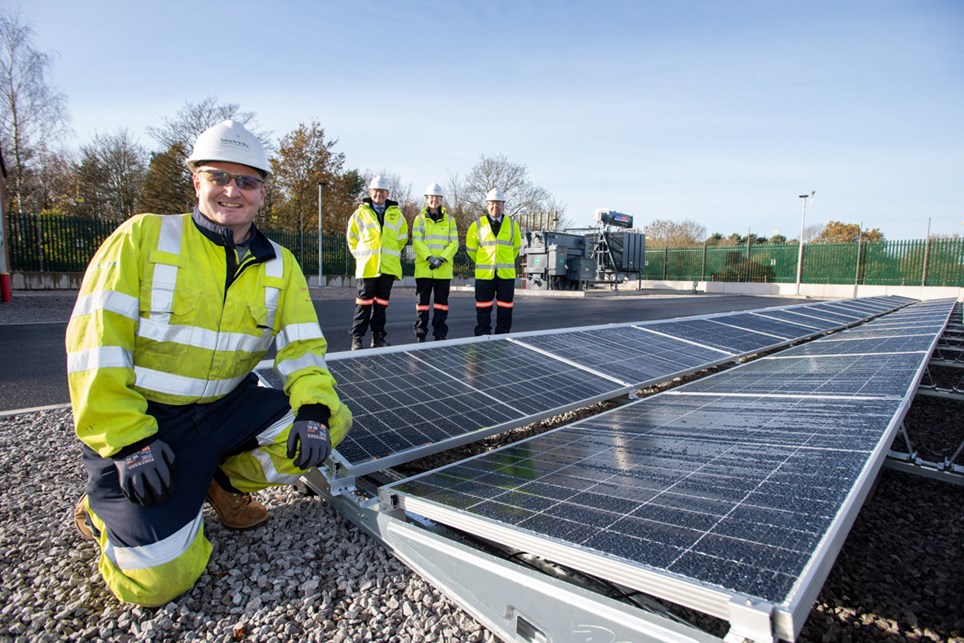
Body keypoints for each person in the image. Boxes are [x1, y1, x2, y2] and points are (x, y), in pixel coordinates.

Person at [65, 120, 352, 607]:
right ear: (196, 180)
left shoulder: (280, 264)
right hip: (148, 423)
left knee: (333, 420)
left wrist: (315, 411)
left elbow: (304, 350)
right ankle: (100, 510)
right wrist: (128, 439)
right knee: (157, 581)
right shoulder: (142, 238)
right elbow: (96, 345)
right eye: (219, 176)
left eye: (247, 181)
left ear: (262, 192)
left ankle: (215, 482)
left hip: (224, 410)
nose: (232, 191)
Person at [346, 176, 409, 349]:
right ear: (370, 193)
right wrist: (360, 256)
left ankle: (378, 336)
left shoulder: (397, 215)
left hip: (387, 267)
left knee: (381, 305)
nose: (379, 194)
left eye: (382, 191)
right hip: (368, 266)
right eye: (376, 191)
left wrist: (391, 254)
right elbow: (351, 238)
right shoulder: (360, 214)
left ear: (387, 193)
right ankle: (357, 338)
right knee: (363, 304)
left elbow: (402, 239)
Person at [465, 187, 522, 335]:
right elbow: (471, 250)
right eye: (492, 203)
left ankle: (503, 335)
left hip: (506, 274)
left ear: (503, 205)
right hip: (485, 274)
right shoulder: (477, 225)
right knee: (483, 308)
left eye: (498, 203)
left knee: (506, 307)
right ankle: (483, 335)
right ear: (487, 204)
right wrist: (484, 261)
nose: (495, 206)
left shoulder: (512, 225)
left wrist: (504, 260)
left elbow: (516, 248)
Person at [411, 182, 459, 342]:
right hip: (424, 268)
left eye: (437, 197)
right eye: (431, 197)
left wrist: (442, 259)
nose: (434, 200)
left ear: (441, 200)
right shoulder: (419, 220)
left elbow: (454, 243)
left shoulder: (450, 220)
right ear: (426, 199)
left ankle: (440, 333)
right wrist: (430, 258)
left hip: (443, 269)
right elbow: (417, 241)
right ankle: (420, 333)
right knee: (422, 304)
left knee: (441, 304)